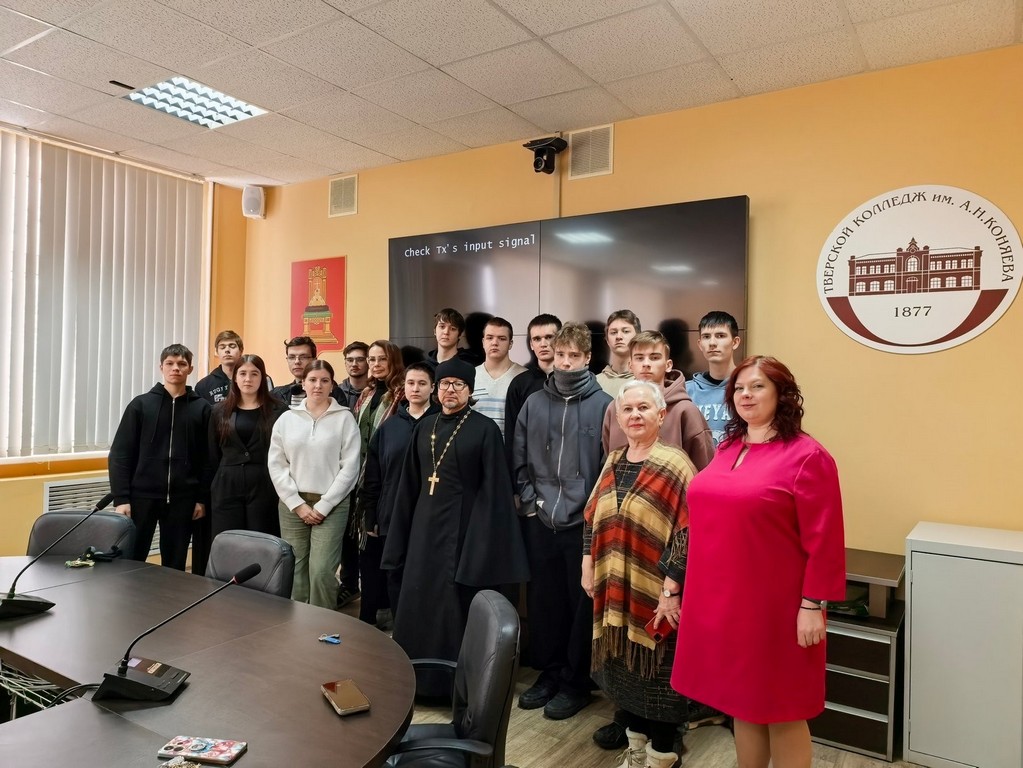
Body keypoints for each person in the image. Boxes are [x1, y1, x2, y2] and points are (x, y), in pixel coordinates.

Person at [672, 356, 846, 768]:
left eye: (757, 386)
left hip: (778, 608)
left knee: (783, 709)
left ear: (781, 394)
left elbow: (826, 541)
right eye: (739, 388)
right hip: (726, 602)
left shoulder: (807, 456)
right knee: (743, 704)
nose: (745, 395)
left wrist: (812, 606)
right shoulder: (729, 446)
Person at [382, 358, 529, 698]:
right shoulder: (425, 427)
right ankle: (414, 680)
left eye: (458, 385)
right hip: (423, 534)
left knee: (454, 607)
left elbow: (494, 493)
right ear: (436, 389)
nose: (451, 390)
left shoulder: (484, 429)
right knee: (419, 599)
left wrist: (479, 545)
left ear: (469, 390)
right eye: (445, 384)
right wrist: (399, 537)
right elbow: (408, 487)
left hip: (463, 535)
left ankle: (454, 688)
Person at [583, 380, 695, 768]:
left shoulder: (676, 464)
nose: (635, 415)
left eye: (643, 408)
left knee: (657, 676)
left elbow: (689, 531)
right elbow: (591, 516)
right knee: (623, 671)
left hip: (656, 593)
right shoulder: (614, 459)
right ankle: (635, 749)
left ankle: (662, 755)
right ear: (618, 417)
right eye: (627, 409)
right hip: (613, 590)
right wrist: (587, 563)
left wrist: (671, 590)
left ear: (661, 415)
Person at [512, 322, 611, 720]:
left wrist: (592, 514)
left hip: (583, 525)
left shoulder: (604, 405)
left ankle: (576, 682)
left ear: (587, 358)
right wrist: (531, 502)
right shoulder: (534, 402)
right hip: (541, 519)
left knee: (579, 605)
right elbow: (518, 456)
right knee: (544, 601)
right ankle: (550, 672)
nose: (566, 362)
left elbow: (609, 466)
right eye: (560, 355)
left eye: (574, 356)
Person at [108, 344, 210, 571]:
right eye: (170, 363)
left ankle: (168, 596)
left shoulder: (202, 409)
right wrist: (121, 498)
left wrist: (201, 498)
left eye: (182, 364)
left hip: (183, 499)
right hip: (141, 498)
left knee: (174, 564)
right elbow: (120, 454)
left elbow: (207, 459)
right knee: (131, 559)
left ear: (190, 369)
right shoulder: (141, 405)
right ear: (161, 367)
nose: (176, 368)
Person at [268, 360, 360, 609]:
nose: (318, 385)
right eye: (312, 380)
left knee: (321, 572)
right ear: (303, 383)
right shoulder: (286, 419)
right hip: (293, 504)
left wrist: (324, 505)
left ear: (332, 385)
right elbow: (276, 464)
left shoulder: (345, 419)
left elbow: (351, 467)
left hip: (332, 504)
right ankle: (297, 625)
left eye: (324, 380)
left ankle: (322, 625)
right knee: (296, 571)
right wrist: (296, 503)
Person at [355, 362, 439, 627]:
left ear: (433, 388)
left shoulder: (441, 424)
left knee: (426, 575)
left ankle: (422, 631)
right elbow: (374, 475)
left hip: (429, 515)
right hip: (391, 514)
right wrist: (370, 513)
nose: (415, 389)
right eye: (410, 383)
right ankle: (400, 629)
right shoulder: (389, 427)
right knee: (394, 572)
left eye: (422, 383)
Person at [343, 340, 406, 608]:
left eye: (382, 359)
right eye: (372, 359)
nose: (376, 364)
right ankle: (370, 606)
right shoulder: (367, 393)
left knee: (384, 547)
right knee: (365, 547)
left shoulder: (402, 394)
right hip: (362, 476)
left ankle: (386, 607)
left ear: (393, 361)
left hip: (388, 477)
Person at [602, 331, 713, 471]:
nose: (646, 364)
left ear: (668, 365)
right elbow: (609, 458)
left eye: (654, 357)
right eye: (639, 358)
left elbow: (704, 469)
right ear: (630, 365)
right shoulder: (615, 408)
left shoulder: (686, 410)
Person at [207, 354, 288, 540]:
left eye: (254, 374)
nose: (248, 379)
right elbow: (212, 453)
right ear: (235, 377)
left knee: (261, 541)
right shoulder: (219, 411)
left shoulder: (279, 410)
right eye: (242, 373)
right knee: (228, 541)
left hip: (265, 483)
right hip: (226, 484)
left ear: (263, 377)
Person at [503, 313, 561, 461]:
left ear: (560, 339)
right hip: (529, 466)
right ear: (531, 344)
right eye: (537, 339)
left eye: (549, 337)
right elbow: (512, 435)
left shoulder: (571, 381)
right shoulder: (519, 383)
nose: (543, 344)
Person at [686, 311, 741, 447]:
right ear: (700, 344)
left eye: (720, 336)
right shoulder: (686, 391)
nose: (712, 343)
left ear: (735, 342)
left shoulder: (746, 388)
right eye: (706, 336)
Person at [472, 316, 526, 438]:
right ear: (483, 342)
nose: (495, 343)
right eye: (489, 338)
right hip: (476, 447)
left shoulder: (524, 377)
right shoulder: (470, 376)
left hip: (511, 448)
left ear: (510, 344)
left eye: (502, 338)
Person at [270, 336, 346, 408]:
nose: (297, 361)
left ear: (314, 360)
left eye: (303, 357)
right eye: (292, 357)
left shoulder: (334, 393)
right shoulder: (277, 394)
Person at [595, 310, 640, 397]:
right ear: (607, 341)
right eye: (613, 332)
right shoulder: (595, 382)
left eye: (626, 331)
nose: (619, 337)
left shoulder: (645, 380)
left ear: (637, 337)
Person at [195, 330, 243, 405]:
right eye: (222, 347)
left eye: (232, 346)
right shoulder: (203, 385)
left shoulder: (250, 380)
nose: (227, 350)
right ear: (217, 352)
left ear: (241, 351)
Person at [338, 341, 370, 409]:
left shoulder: (376, 392)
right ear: (345, 363)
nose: (354, 364)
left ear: (369, 362)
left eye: (360, 360)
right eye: (350, 360)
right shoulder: (337, 392)